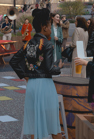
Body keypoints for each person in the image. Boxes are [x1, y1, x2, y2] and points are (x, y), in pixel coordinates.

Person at [9, 8, 61, 139]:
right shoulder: (47, 44)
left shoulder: (28, 44)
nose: (50, 29)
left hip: (31, 86)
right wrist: (58, 67)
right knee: (53, 123)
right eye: (49, 26)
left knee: (35, 123)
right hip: (45, 86)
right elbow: (49, 69)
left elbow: (14, 61)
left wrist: (25, 75)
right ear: (44, 27)